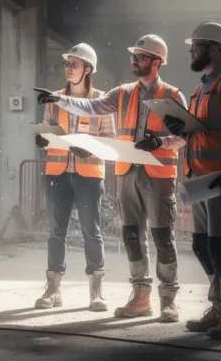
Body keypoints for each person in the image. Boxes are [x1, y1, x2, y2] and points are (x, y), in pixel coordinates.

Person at [38, 35, 187, 323]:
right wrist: (59, 98)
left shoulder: (171, 95)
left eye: (140, 57)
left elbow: (185, 135)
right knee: (132, 236)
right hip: (127, 173)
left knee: (162, 238)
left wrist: (161, 142)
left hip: (158, 175)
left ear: (157, 62)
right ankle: (141, 297)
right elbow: (91, 107)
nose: (134, 60)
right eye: (134, 56)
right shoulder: (123, 93)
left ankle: (168, 299)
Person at [163, 21, 221, 341]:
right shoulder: (202, 86)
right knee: (204, 245)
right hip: (201, 180)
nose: (191, 50)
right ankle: (219, 307)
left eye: (196, 45)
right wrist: (182, 127)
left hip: (220, 179)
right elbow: (205, 131)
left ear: (214, 48)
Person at [34, 43, 116, 312]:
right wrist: (42, 139)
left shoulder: (101, 100)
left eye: (74, 64)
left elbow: (110, 140)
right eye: (67, 64)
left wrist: (89, 147)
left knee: (92, 233)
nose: (68, 68)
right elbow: (48, 130)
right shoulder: (53, 97)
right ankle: (53, 289)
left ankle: (96, 292)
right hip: (57, 173)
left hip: (89, 175)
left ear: (88, 69)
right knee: (56, 233)